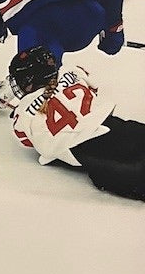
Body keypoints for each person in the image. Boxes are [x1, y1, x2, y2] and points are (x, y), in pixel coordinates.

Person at [8, 46, 145, 201]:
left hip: (83, 149)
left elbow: (25, 140)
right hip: (109, 124)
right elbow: (94, 88)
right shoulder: (72, 72)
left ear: (29, 80)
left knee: (127, 173)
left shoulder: (23, 112)